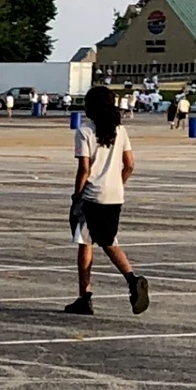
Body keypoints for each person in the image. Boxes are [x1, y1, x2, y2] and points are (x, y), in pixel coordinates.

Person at [66, 86, 150, 316]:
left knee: (88, 243)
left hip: (92, 195)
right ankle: (128, 281)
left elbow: (84, 169)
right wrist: (117, 183)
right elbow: (129, 165)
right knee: (106, 239)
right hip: (114, 195)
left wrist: (76, 195)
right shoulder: (120, 131)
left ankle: (90, 294)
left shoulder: (85, 132)